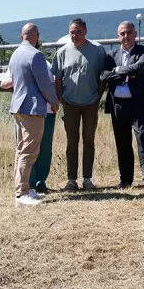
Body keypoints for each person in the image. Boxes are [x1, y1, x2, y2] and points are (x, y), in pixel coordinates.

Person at [51, 18, 111, 191]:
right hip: (69, 103)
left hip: (91, 102)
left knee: (89, 140)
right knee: (71, 142)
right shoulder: (62, 52)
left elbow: (103, 75)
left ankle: (87, 179)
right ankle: (71, 180)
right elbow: (58, 77)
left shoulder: (97, 50)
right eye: (72, 32)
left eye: (77, 31)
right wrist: (60, 96)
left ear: (85, 31)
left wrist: (99, 95)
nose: (74, 35)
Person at [101, 21, 144, 190]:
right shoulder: (110, 55)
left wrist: (118, 71)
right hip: (118, 105)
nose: (125, 36)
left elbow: (141, 67)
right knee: (122, 142)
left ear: (135, 34)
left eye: (128, 33)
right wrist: (128, 74)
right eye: (122, 34)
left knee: (142, 137)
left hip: (138, 104)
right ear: (118, 36)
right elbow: (104, 75)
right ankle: (125, 179)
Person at [8, 23, 58, 206]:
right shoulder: (36, 55)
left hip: (18, 107)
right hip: (32, 109)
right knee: (29, 152)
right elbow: (45, 84)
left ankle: (24, 189)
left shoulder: (15, 54)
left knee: (21, 150)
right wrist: (54, 101)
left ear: (22, 36)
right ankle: (22, 194)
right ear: (36, 36)